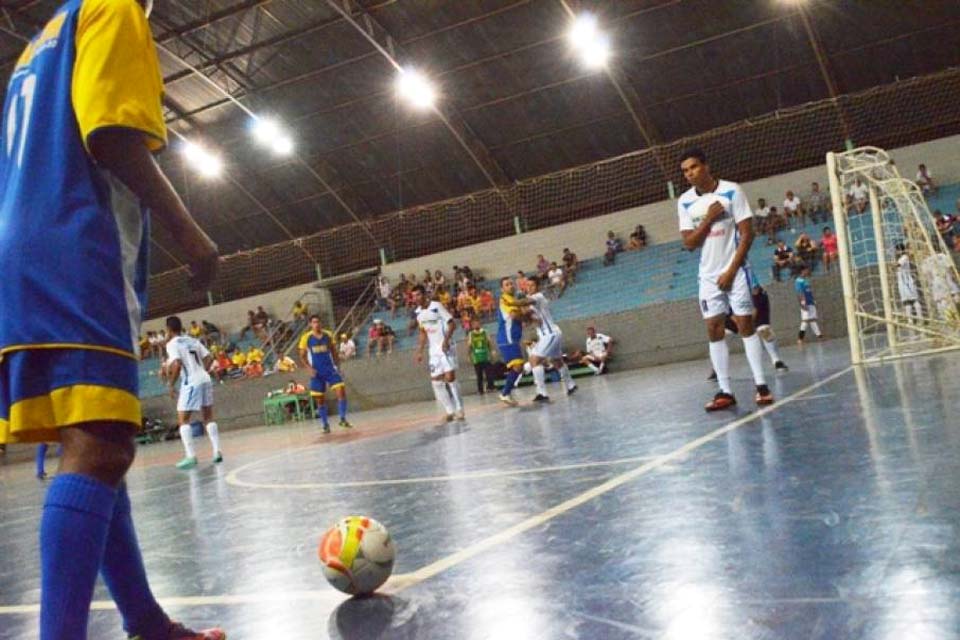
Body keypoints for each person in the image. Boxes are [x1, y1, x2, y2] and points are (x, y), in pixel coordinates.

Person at [0, 1, 225, 638]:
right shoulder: (114, 7)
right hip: (74, 243)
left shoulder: (40, 42)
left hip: (24, 247)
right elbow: (111, 135)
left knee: (96, 442)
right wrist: (193, 237)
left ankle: (145, 621)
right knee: (100, 445)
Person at [677, 148, 773, 410]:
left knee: (745, 324)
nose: (689, 174)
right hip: (707, 276)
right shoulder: (685, 201)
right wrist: (708, 219)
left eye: (694, 167)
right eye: (685, 171)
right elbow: (689, 243)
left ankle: (761, 386)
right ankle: (725, 391)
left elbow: (747, 233)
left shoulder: (732, 190)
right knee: (714, 329)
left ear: (706, 166)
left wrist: (732, 270)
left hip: (735, 270)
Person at [165, 316, 222, 470]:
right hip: (205, 378)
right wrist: (202, 371)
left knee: (183, 419)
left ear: (168, 330)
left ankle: (191, 456)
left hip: (191, 381)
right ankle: (217, 451)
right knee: (208, 416)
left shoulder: (172, 344)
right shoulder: (192, 340)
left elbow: (177, 364)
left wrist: (170, 384)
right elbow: (209, 357)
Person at [413, 285, 465, 421]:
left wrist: (446, 340)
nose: (416, 298)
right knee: (436, 380)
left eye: (418, 295)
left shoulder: (436, 306)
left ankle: (460, 409)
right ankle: (449, 411)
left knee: (450, 378)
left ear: (424, 294)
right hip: (433, 350)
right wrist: (420, 351)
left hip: (446, 347)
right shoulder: (418, 313)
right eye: (413, 296)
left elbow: (452, 324)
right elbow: (423, 332)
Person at [525, 279, 577, 402]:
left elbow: (526, 303)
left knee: (534, 360)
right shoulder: (532, 303)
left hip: (549, 335)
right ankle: (571, 385)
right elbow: (534, 320)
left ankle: (542, 393)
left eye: (532, 285)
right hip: (551, 333)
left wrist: (511, 303)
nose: (529, 287)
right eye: (528, 285)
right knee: (557, 361)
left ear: (537, 287)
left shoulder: (537, 296)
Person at [298, 315, 352, 433]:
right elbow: (301, 356)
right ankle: (325, 424)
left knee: (341, 391)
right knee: (320, 400)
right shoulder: (306, 338)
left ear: (321, 323)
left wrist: (338, 366)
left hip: (330, 369)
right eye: (314, 322)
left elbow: (333, 351)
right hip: (317, 372)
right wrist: (309, 368)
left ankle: (342, 418)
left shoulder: (328, 335)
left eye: (318, 321)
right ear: (310, 325)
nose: (316, 324)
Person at [496, 277, 529, 406]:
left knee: (518, 367)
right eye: (507, 284)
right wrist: (525, 317)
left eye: (511, 283)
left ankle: (505, 393)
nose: (510, 286)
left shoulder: (513, 300)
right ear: (502, 289)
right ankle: (505, 393)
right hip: (507, 338)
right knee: (518, 366)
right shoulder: (505, 299)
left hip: (512, 338)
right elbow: (514, 315)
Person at [895, 243, 923, 326]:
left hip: (907, 282)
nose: (896, 252)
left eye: (897, 250)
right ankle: (910, 320)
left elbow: (898, 265)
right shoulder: (900, 258)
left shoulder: (904, 257)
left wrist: (891, 265)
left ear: (900, 250)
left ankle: (920, 319)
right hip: (902, 283)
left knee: (914, 299)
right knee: (906, 302)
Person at [467, 318, 497, 394]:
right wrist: (468, 355)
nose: (476, 325)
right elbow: (469, 346)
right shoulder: (471, 334)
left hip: (485, 356)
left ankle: (491, 387)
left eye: (477, 323)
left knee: (489, 373)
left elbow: (489, 342)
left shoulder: (485, 332)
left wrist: (492, 350)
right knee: (479, 375)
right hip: (476, 357)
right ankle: (480, 390)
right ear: (472, 325)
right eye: (474, 324)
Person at [795, 268, 823, 344]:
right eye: (806, 270)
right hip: (805, 303)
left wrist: (813, 300)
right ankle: (800, 339)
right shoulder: (798, 281)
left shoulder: (805, 280)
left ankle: (819, 336)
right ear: (802, 271)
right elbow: (799, 293)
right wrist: (803, 303)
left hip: (811, 302)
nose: (808, 271)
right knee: (805, 320)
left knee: (813, 319)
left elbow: (809, 291)